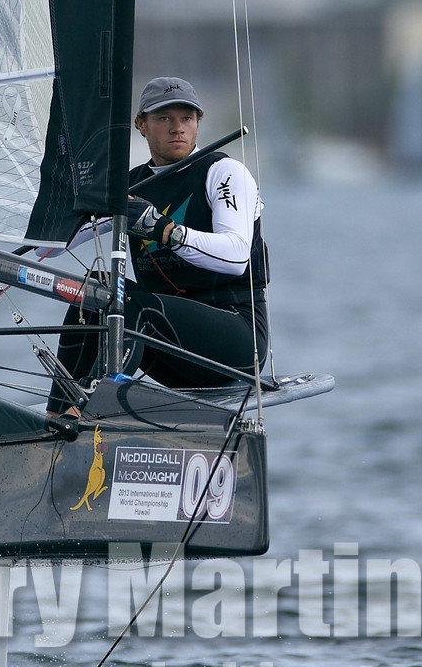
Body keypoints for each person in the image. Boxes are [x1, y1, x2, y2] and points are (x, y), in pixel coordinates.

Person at [47, 76, 269, 416]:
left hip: (236, 341)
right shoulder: (130, 185)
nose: (177, 128)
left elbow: (237, 256)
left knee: (128, 301)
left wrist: (165, 230)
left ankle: (88, 410)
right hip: (168, 349)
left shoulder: (224, 173)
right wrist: (66, 205)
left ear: (198, 122)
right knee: (96, 289)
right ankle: (56, 415)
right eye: (164, 118)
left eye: (186, 118)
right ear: (141, 124)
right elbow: (47, 248)